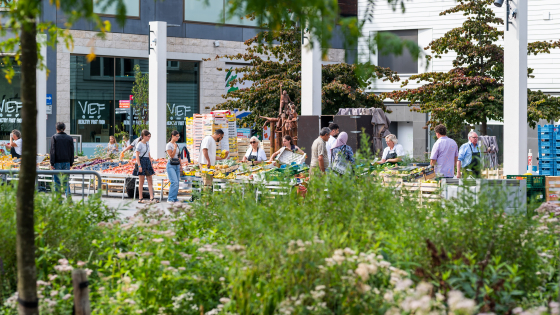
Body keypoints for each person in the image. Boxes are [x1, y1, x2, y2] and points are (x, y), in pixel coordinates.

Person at [50, 122, 75, 198]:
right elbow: (72, 151)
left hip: (57, 162)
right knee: (66, 182)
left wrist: (52, 163)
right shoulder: (69, 138)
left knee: (57, 182)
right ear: (64, 129)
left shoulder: (54, 137)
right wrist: (71, 162)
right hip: (67, 162)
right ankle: (69, 199)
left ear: (56, 129)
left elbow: (52, 150)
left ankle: (58, 200)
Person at [132, 130, 157, 203]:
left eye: (150, 136)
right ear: (144, 136)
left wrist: (151, 164)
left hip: (147, 162)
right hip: (141, 161)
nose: (149, 138)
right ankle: (140, 198)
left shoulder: (147, 144)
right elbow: (137, 155)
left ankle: (152, 197)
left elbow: (149, 154)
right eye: (148, 136)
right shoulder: (139, 144)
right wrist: (139, 165)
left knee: (150, 180)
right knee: (141, 181)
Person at [166, 130, 184, 204]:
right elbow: (172, 156)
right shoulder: (169, 145)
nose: (178, 138)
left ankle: (174, 198)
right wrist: (175, 148)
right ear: (172, 136)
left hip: (177, 164)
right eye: (176, 136)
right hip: (170, 165)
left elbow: (179, 156)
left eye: (178, 136)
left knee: (177, 182)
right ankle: (170, 199)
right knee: (174, 182)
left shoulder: (176, 144)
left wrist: (181, 165)